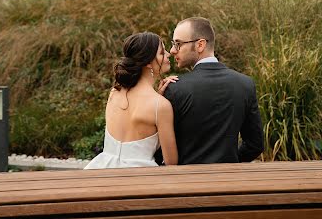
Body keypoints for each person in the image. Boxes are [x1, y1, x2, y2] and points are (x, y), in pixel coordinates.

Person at [157, 17, 264, 165]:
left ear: (200, 45)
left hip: (186, 184)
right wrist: (229, 163)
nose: (173, 50)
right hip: (228, 184)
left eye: (178, 44)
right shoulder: (245, 84)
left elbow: (160, 149)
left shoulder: (175, 88)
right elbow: (255, 145)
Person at [84, 32, 178, 169]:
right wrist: (158, 99)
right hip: (139, 176)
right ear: (148, 63)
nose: (169, 54)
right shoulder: (160, 106)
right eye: (162, 52)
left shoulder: (115, 93)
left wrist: (157, 96)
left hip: (101, 170)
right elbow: (171, 161)